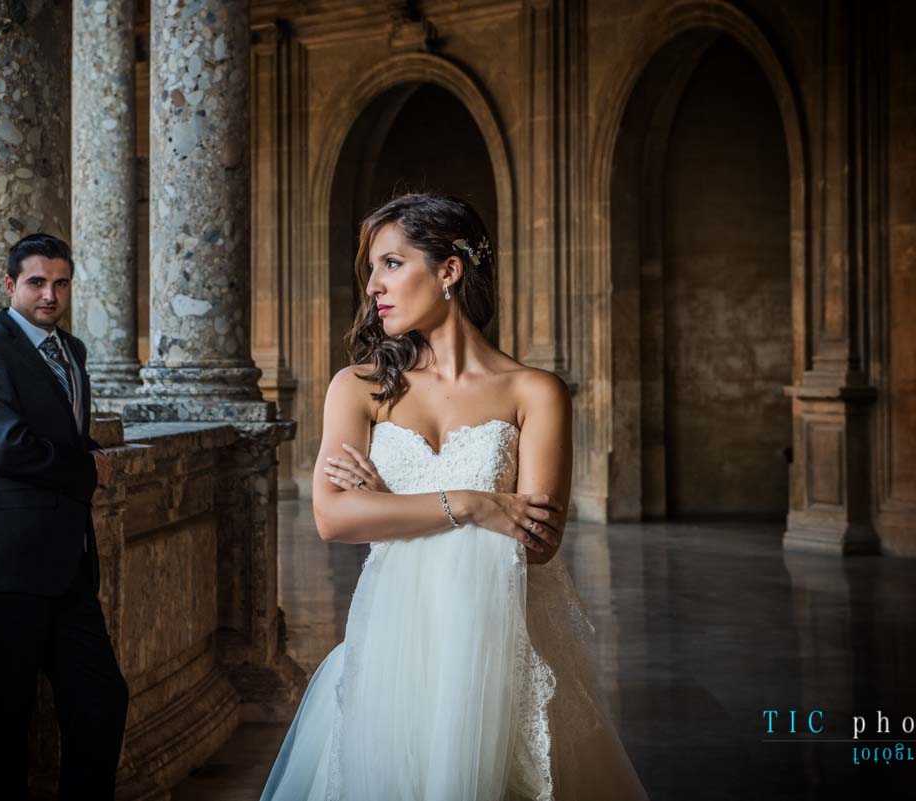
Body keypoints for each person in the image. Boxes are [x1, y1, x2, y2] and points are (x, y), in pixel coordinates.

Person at [260, 194, 649, 800]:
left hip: (497, 642)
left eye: (391, 263)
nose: (373, 287)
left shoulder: (535, 392)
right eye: (370, 270)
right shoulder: (358, 387)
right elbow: (334, 518)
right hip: (394, 639)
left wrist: (388, 504)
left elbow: (539, 542)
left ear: (449, 270)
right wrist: (471, 504)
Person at [0, 233, 129, 800]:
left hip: (68, 564)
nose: (49, 294)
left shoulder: (70, 351)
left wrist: (90, 450)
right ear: (10, 285)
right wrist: (85, 470)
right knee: (8, 718)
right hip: (8, 564)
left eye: (60, 283)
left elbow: (57, 431)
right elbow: (5, 448)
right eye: (36, 282)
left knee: (102, 701)